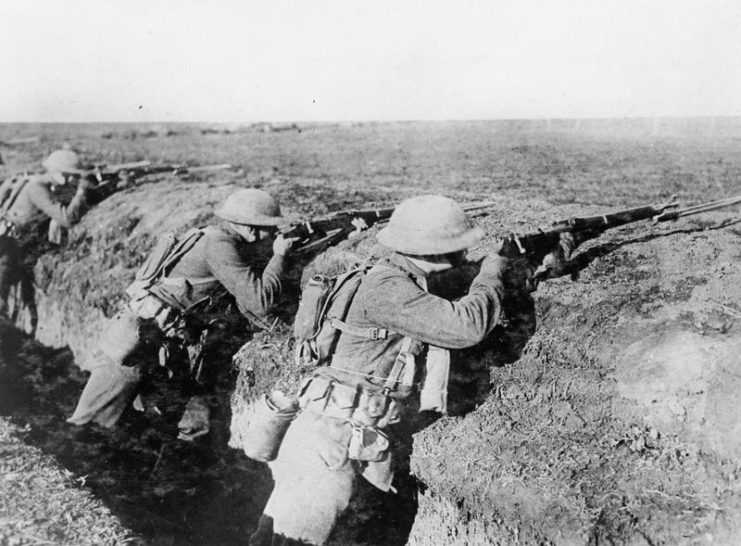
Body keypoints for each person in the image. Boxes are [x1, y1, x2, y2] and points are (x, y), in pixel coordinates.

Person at [249, 194, 519, 545]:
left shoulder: (390, 275)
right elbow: (466, 327)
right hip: (329, 451)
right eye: (459, 247)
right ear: (435, 251)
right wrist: (493, 270)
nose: (464, 254)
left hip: (336, 439)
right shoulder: (388, 288)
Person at [68, 188, 297, 440]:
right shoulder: (220, 245)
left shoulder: (222, 239)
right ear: (250, 228)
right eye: (270, 228)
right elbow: (260, 301)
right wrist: (279, 256)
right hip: (135, 343)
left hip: (165, 347)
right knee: (90, 421)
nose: (274, 234)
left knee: (159, 425)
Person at [0, 149, 93, 328]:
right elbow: (67, 219)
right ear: (58, 175)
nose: (73, 181)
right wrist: (82, 192)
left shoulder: (27, 182)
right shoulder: (37, 190)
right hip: (7, 248)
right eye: (71, 176)